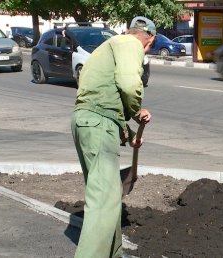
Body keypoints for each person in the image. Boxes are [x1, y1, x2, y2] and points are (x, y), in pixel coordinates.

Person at [71, 16, 156, 258]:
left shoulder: (104, 49)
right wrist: (137, 111)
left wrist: (129, 134)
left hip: (87, 122)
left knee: (107, 199)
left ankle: (113, 254)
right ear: (150, 39)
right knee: (103, 203)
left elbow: (103, 100)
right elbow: (128, 85)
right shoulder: (131, 44)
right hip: (97, 125)